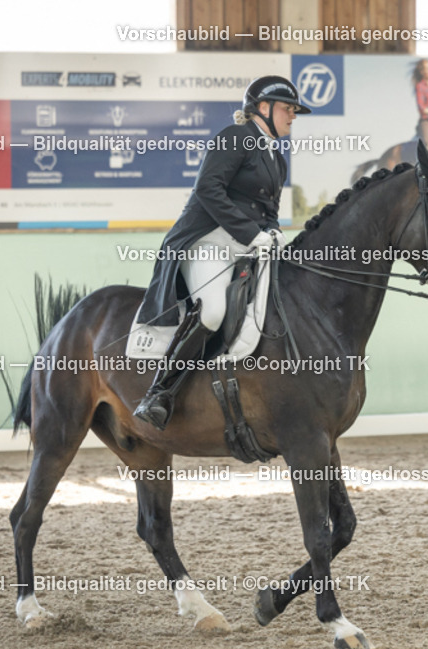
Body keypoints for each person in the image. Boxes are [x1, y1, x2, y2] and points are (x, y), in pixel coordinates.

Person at [131, 75, 311, 430]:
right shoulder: (235, 137)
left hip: (245, 244)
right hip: (208, 241)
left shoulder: (277, 158)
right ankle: (159, 392)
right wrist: (250, 233)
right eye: (288, 109)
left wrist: (273, 234)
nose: (293, 116)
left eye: (294, 111)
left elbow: (269, 210)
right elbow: (208, 189)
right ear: (263, 107)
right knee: (213, 311)